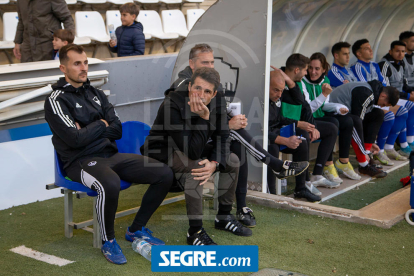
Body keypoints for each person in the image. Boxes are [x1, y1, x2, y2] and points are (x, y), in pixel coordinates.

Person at [44, 44, 173, 265]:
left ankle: (136, 229)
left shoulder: (96, 93)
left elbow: (117, 129)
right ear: (63, 68)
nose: (83, 68)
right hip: (81, 161)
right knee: (109, 183)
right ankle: (108, 240)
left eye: (85, 63)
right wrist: (101, 124)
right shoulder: (56, 100)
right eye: (77, 64)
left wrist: (87, 128)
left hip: (110, 155)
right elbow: (74, 140)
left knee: (163, 173)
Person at [171, 44, 309, 227]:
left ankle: (240, 207)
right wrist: (228, 125)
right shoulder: (183, 85)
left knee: (236, 146)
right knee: (233, 132)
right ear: (191, 63)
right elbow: (194, 125)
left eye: (212, 62)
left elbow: (217, 115)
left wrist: (232, 119)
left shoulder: (211, 81)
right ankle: (274, 164)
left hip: (206, 137)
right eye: (205, 62)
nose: (210, 66)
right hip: (187, 144)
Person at [142, 67, 253, 245]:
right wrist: (204, 118)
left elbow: (223, 136)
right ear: (189, 86)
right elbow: (191, 151)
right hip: (162, 151)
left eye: (207, 91)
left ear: (214, 93)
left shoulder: (218, 101)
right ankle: (195, 232)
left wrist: (216, 163)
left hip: (191, 148)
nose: (201, 95)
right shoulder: (172, 103)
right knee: (199, 167)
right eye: (197, 88)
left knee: (232, 160)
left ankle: (223, 217)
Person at [276, 54, 340, 197]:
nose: (308, 73)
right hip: (278, 127)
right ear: (297, 70)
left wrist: (311, 125)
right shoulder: (277, 81)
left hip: (291, 123)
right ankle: (303, 184)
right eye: (307, 69)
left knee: (331, 128)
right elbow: (276, 116)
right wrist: (300, 124)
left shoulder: (294, 82)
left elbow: (302, 104)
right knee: (303, 135)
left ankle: (316, 175)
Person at [297, 52, 361, 190]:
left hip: (319, 115)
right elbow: (309, 109)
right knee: (333, 124)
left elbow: (325, 104)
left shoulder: (325, 80)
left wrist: (339, 108)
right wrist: (324, 94)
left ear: (324, 69)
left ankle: (343, 160)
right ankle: (327, 165)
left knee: (348, 120)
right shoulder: (302, 81)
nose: (313, 72)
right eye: (310, 68)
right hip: (308, 118)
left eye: (317, 69)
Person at [267, 68, 321, 202]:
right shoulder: (258, 99)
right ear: (266, 85)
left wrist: (298, 123)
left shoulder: (276, 95)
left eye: (281, 90)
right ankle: (272, 194)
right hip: (264, 138)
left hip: (276, 132)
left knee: (301, 139)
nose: (279, 94)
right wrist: (284, 141)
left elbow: (299, 100)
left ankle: (300, 188)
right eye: (276, 90)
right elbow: (258, 130)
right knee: (272, 148)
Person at [329, 80, 400, 177]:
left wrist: (371, 143)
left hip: (345, 112)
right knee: (355, 122)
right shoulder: (365, 93)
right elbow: (357, 123)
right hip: (332, 111)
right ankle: (363, 163)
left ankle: (367, 154)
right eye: (384, 104)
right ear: (383, 96)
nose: (381, 105)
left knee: (378, 113)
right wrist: (362, 149)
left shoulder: (372, 92)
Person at [376, 41, 414, 162]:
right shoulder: (384, 64)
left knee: (407, 106)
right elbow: (387, 90)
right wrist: (408, 96)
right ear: (390, 51)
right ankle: (404, 144)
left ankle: (406, 143)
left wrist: (411, 92)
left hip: (399, 96)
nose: (400, 54)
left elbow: (404, 85)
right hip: (389, 98)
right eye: (397, 51)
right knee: (408, 106)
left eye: (403, 51)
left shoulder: (401, 63)